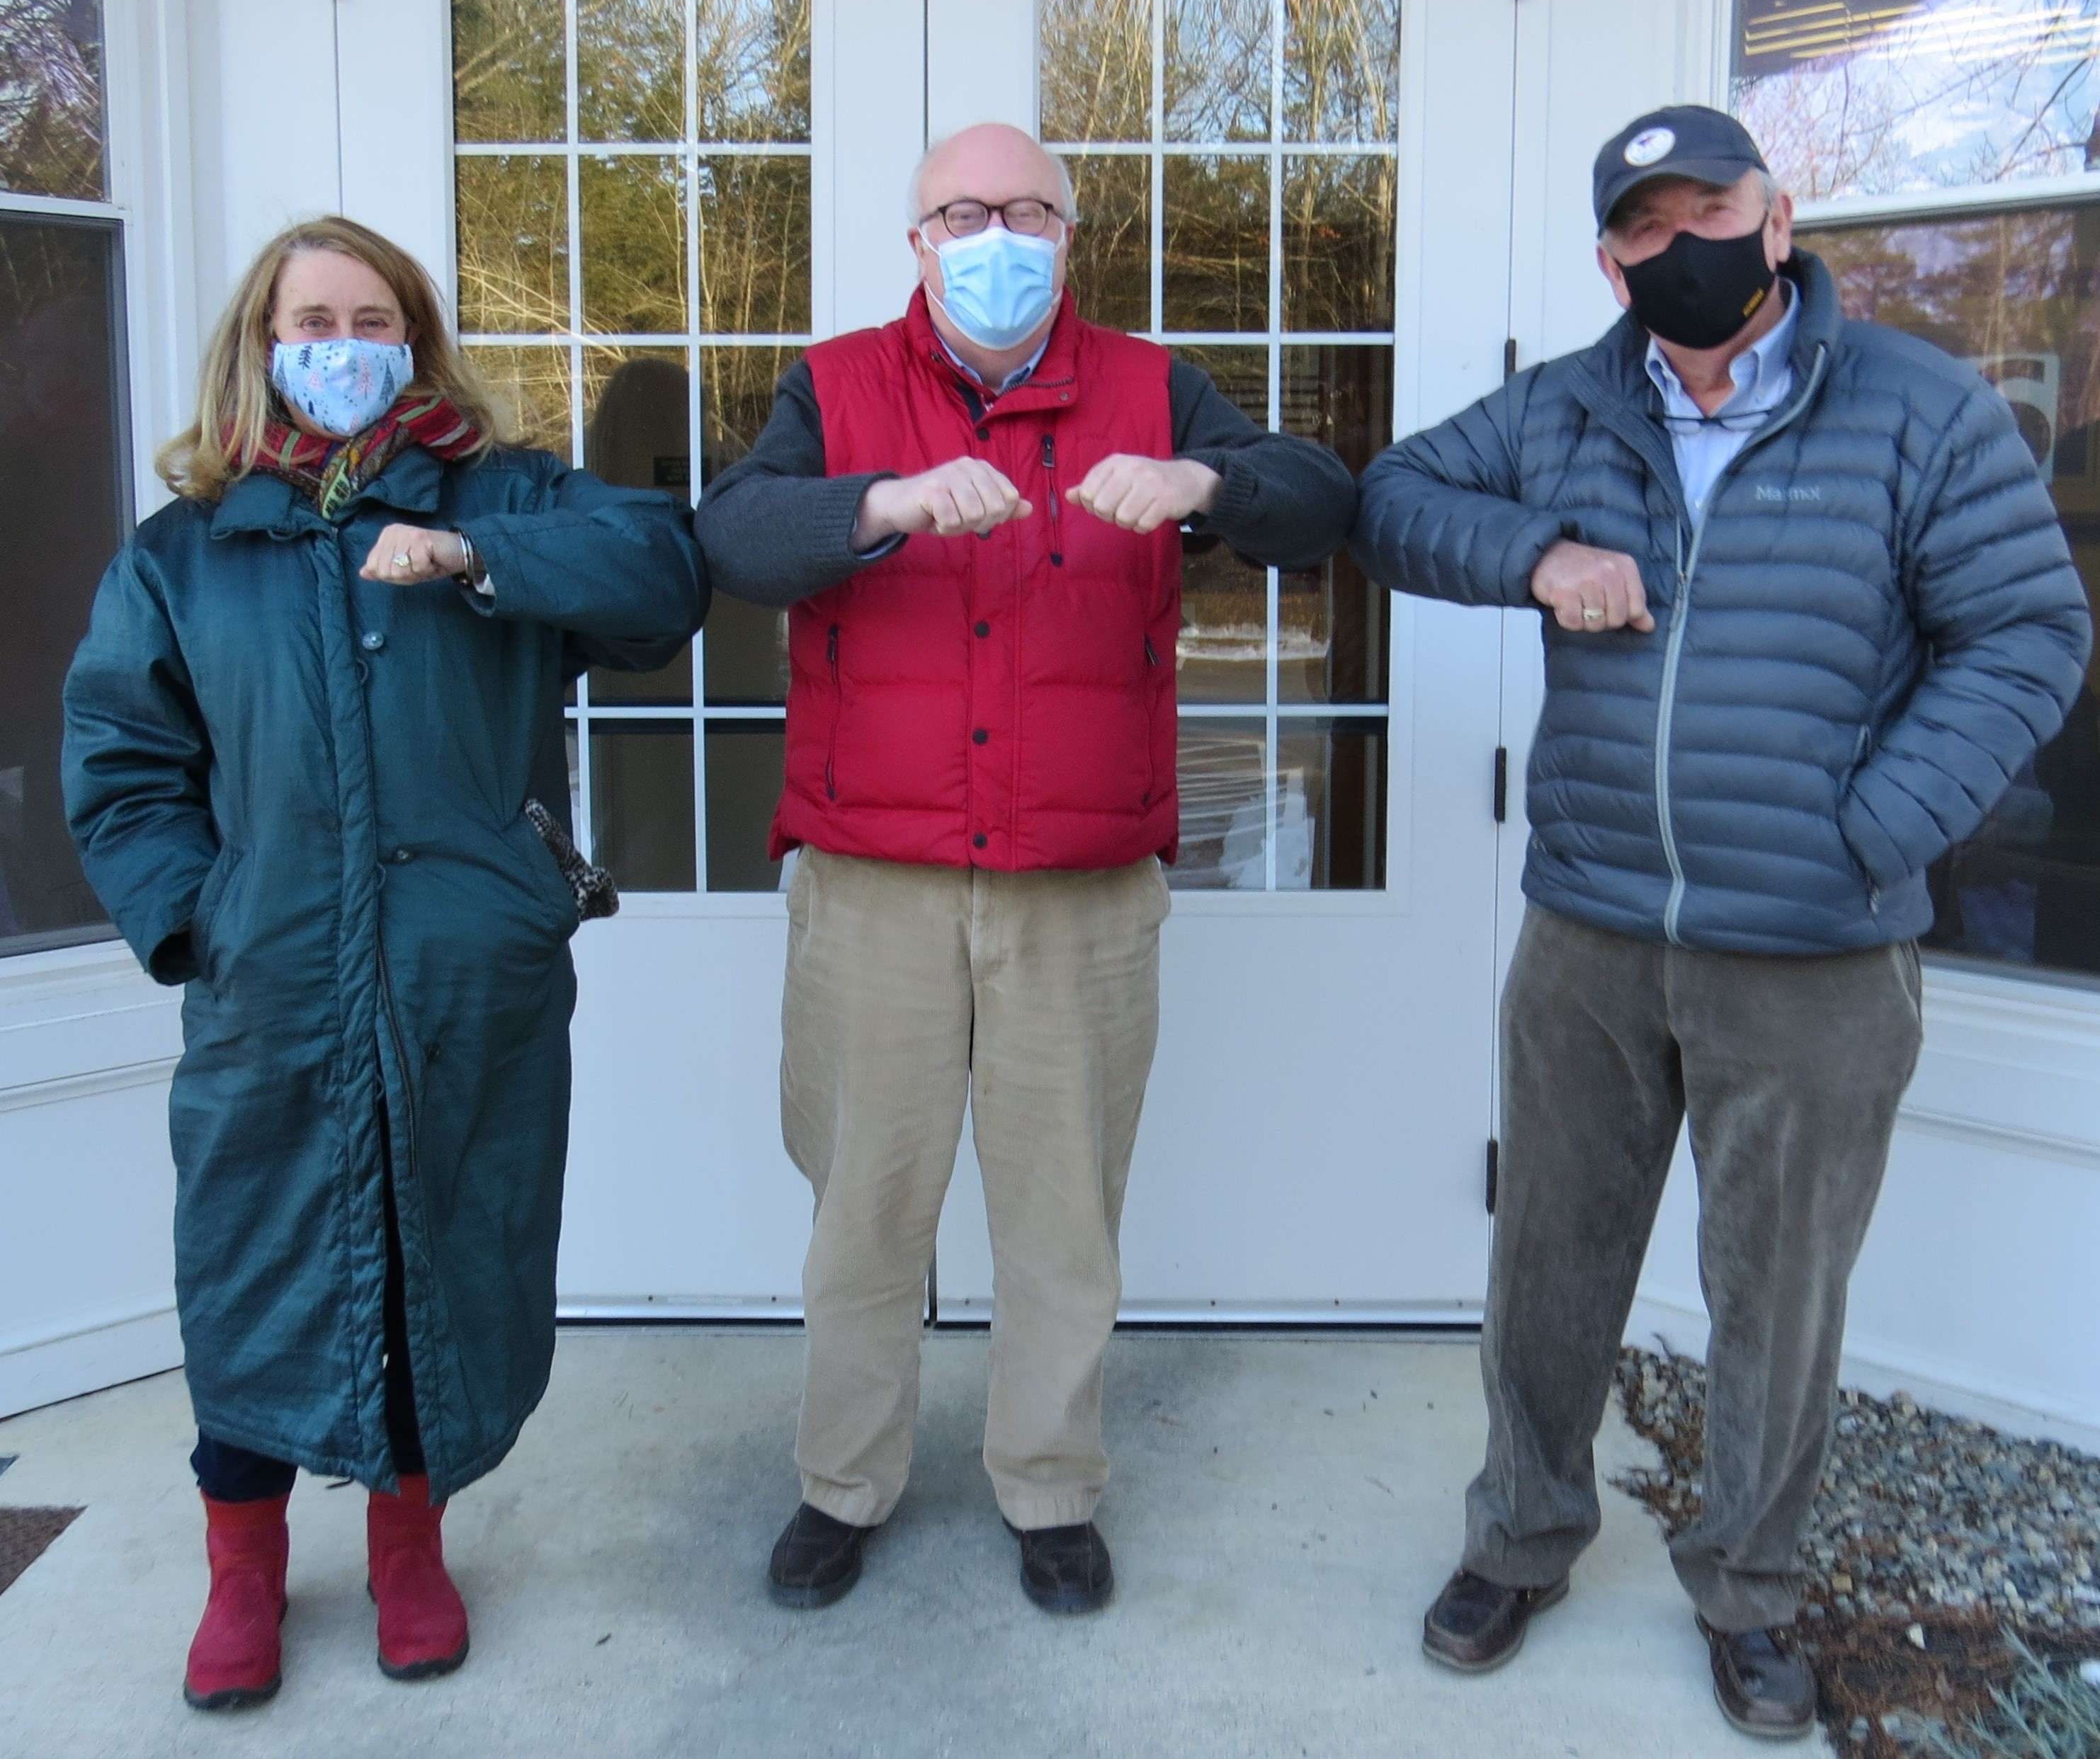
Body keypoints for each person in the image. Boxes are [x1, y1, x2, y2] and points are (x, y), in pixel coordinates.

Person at [1351, 106, 2092, 1740]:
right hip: (1593, 929)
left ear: (1776, 215)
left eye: (1714, 206)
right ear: (1611, 257)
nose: (1681, 242)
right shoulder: (1567, 409)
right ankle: (1523, 1538)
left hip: (1816, 952)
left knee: (1775, 1295)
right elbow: (1393, 500)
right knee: (1547, 1262)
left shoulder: (1915, 406)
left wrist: (1877, 829)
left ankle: (1749, 1592)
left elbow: (2028, 634)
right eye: (1644, 224)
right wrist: (1538, 554)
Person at [698, 123, 1355, 1615]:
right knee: (864, 1205)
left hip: (1080, 886)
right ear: (915, 239)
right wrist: (882, 504)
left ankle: (1049, 1485)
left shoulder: (1149, 382)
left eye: (1023, 210)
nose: (993, 235)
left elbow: (1315, 501)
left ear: (1070, 232)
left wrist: (1205, 484)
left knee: (1064, 1211)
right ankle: (842, 1483)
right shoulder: (840, 383)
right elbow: (731, 533)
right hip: (880, 877)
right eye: (959, 212)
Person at [62, 217, 702, 1709]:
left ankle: (410, 1550)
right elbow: (122, 762)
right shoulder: (188, 552)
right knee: (250, 1270)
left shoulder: (510, 493)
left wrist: (480, 554)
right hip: (271, 981)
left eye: (370, 317)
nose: (339, 344)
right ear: (263, 345)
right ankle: (244, 1574)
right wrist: (196, 921)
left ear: (411, 340)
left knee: (436, 1254)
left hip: (460, 976)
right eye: (310, 320)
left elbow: (661, 576)